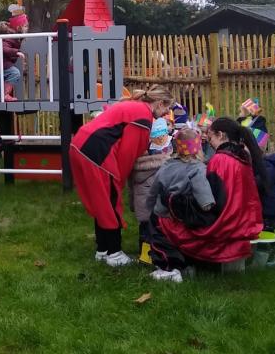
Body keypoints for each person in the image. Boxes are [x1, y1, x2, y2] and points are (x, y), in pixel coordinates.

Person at [148, 118, 264, 283]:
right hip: (240, 222)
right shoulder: (241, 157)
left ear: (220, 135)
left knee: (161, 219)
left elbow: (208, 204)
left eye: (210, 139)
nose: (208, 144)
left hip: (221, 226)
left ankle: (173, 267)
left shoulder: (219, 160)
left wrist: (172, 201)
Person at [69, 85, 174, 266]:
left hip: (82, 145)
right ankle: (114, 253)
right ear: (159, 103)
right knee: (111, 201)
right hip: (98, 152)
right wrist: (120, 179)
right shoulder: (143, 117)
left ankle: (102, 250)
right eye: (167, 108)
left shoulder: (134, 106)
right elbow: (128, 154)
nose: (166, 113)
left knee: (101, 201)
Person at [147, 128, 216, 232]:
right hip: (184, 222)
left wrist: (150, 208)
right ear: (198, 148)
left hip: (163, 219)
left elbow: (152, 193)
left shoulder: (166, 165)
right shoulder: (198, 169)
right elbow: (206, 203)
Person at [128, 117, 171, 255]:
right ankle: (160, 255)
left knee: (145, 232)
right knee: (160, 230)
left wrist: (132, 204)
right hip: (161, 207)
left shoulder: (136, 167)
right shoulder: (166, 163)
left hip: (143, 207)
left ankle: (145, 256)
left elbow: (131, 188)